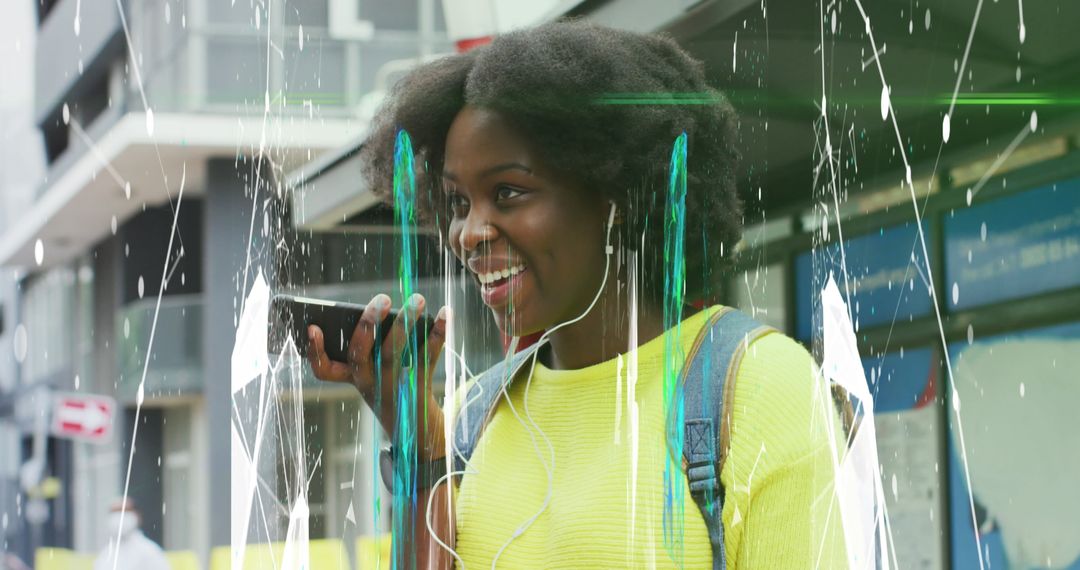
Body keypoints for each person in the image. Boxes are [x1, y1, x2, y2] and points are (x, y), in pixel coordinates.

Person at [307, 20, 847, 569]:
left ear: (614, 193)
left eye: (508, 192)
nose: (469, 233)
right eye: (458, 202)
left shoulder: (762, 386)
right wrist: (416, 430)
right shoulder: (476, 415)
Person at [92, 498, 170, 570]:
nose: (120, 516)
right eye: (115, 512)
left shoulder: (150, 552)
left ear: (137, 516)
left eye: (125, 511)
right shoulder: (104, 555)